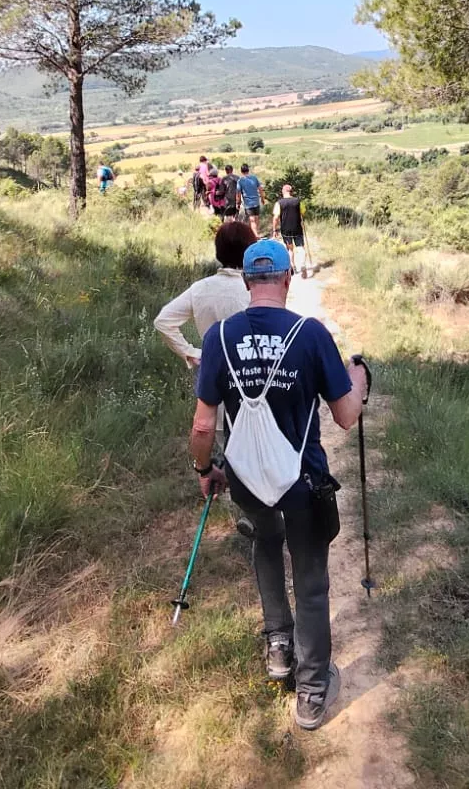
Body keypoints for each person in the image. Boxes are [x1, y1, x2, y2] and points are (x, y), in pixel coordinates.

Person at [189, 239, 369, 731]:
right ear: (287, 279)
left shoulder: (219, 337)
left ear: (247, 281)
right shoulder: (310, 334)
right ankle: (312, 693)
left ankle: (279, 648)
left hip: (247, 478)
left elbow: (204, 426)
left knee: (266, 546)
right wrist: (358, 378)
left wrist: (207, 472)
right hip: (302, 481)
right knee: (310, 580)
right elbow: (346, 415)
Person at [153, 222, 253, 369]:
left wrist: (190, 353)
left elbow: (163, 321)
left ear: (218, 251)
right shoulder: (255, 289)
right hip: (249, 371)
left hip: (212, 370)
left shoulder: (200, 288)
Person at [271, 183, 309, 278]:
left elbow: (276, 217)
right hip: (297, 228)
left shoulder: (279, 203)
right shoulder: (298, 201)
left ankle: (293, 266)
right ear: (291, 192)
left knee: (290, 249)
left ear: (283, 191)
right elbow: (303, 213)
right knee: (300, 247)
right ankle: (303, 265)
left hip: (286, 229)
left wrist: (274, 230)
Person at [237, 164, 263, 233]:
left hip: (248, 203)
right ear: (248, 170)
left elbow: (238, 194)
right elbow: (260, 189)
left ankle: (255, 234)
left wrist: (238, 203)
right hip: (256, 201)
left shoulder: (240, 181)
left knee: (252, 219)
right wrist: (262, 199)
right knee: (256, 218)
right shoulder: (254, 178)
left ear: (241, 171)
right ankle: (256, 232)